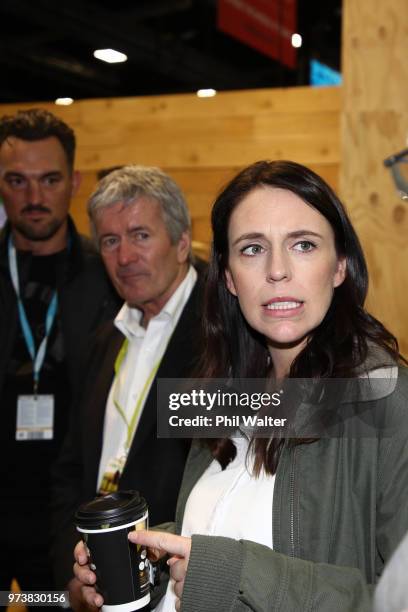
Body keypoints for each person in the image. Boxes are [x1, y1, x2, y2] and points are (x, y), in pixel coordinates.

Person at [73, 160, 408, 612]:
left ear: (340, 266)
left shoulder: (387, 401)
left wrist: (233, 574)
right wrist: (148, 564)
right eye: (252, 249)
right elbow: (223, 533)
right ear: (229, 277)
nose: (277, 270)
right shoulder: (218, 393)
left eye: (304, 244)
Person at [52, 165, 205, 606]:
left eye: (140, 235)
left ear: (180, 242)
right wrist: (73, 575)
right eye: (110, 241)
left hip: (176, 586)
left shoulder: (225, 333)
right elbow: (70, 470)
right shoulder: (104, 337)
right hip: (98, 583)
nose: (124, 257)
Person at [0, 108, 120, 602]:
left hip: (65, 521)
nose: (33, 198)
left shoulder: (110, 278)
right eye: (16, 181)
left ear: (72, 182)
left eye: (49, 180)